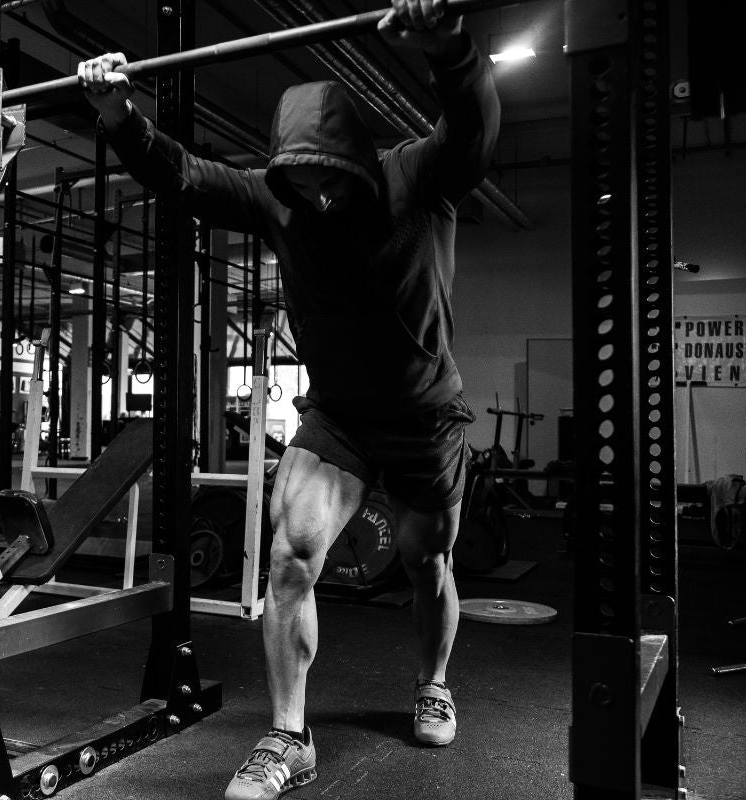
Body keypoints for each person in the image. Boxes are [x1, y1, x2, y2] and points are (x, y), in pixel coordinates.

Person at [79, 0, 500, 797]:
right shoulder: (275, 200)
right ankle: (289, 737)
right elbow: (182, 174)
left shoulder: (416, 175)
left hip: (424, 416)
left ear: (354, 162)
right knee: (289, 555)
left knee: (427, 559)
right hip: (339, 414)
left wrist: (450, 51)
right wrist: (117, 113)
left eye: (332, 183)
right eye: (303, 186)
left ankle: (433, 679)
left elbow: (473, 130)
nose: (322, 201)